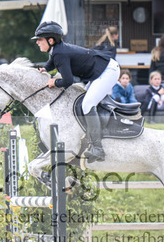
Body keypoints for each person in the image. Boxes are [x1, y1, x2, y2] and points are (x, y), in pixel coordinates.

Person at [33, 21, 120, 162]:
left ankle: (98, 148)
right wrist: (45, 68)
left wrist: (54, 82)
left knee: (87, 105)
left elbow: (68, 81)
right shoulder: (57, 50)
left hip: (107, 71)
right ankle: (89, 139)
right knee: (81, 104)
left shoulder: (60, 53)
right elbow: (52, 60)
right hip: (99, 71)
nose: (37, 42)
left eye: (40, 39)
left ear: (51, 40)